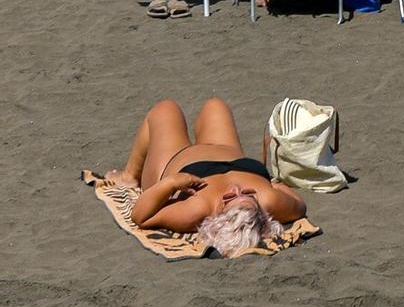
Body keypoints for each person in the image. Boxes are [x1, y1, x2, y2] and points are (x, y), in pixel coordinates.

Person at [105, 98, 306, 252]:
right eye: (246, 194)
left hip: (175, 163)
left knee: (165, 109)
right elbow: (298, 203)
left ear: (217, 217)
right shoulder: (270, 201)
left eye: (229, 199)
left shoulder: (196, 209)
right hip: (228, 153)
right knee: (215, 105)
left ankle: (129, 176)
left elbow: (140, 215)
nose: (235, 189)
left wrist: (172, 183)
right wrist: (269, 185)